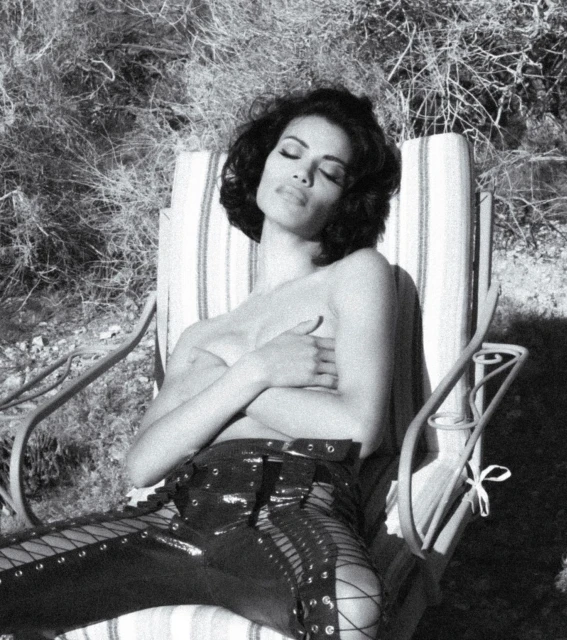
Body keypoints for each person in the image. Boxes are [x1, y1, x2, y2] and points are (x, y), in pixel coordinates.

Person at [0, 86, 400, 640]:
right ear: (262, 163)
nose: (303, 173)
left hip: (292, 508)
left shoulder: (355, 275)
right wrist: (253, 371)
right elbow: (143, 464)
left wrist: (218, 388)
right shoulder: (202, 336)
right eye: (290, 152)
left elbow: (358, 428)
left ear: (345, 200)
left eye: (329, 172)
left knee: (351, 605)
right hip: (174, 518)